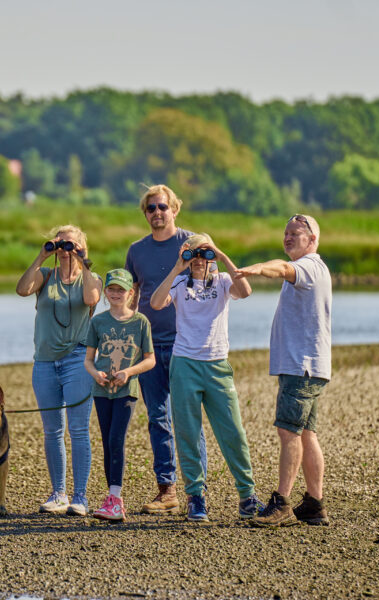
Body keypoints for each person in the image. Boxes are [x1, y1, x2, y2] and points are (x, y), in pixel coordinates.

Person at [150, 234, 264, 522]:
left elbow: (246, 291)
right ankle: (195, 497)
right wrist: (178, 266)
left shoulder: (224, 281)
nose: (199, 259)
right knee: (187, 432)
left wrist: (221, 256)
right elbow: (155, 302)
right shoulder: (179, 282)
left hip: (216, 365)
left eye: (204, 253)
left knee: (233, 432)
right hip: (185, 363)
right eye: (194, 253)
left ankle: (247, 496)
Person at [234, 214, 332, 527]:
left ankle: (282, 502)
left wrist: (257, 269)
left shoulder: (308, 267)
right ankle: (314, 504)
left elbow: (283, 267)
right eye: (286, 232)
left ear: (312, 240)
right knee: (305, 432)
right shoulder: (312, 269)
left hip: (300, 367)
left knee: (288, 431)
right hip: (309, 367)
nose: (288, 237)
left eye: (296, 233)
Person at [124, 184, 209, 515]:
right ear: (145, 214)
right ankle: (167, 490)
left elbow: (212, 288)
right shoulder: (136, 251)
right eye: (150, 208)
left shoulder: (194, 244)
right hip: (148, 345)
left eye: (162, 207)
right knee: (157, 417)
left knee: (188, 419)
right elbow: (131, 295)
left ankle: (196, 494)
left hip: (186, 343)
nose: (157, 213)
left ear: (175, 208)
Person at [16, 224, 102, 516]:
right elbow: (21, 290)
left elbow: (92, 299)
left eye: (71, 245)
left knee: (78, 430)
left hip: (78, 359)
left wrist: (83, 260)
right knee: (52, 431)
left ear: (81, 247)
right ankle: (58, 493)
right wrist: (41, 256)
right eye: (61, 245)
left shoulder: (91, 279)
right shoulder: (46, 276)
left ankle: (80, 497)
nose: (65, 251)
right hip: (44, 361)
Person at [82, 269, 156, 522]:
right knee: (106, 441)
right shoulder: (98, 322)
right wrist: (96, 375)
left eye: (121, 290)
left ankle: (116, 499)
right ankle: (111, 498)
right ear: (105, 293)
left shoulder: (140, 322)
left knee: (117, 439)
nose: (115, 294)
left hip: (127, 391)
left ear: (130, 293)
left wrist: (129, 372)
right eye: (111, 289)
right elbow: (89, 360)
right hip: (101, 391)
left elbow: (150, 360)